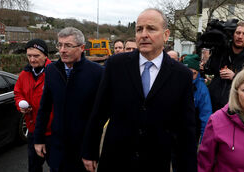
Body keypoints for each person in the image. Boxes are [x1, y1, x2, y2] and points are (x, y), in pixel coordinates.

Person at [82, 8, 197, 172]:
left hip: (155, 162)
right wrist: (90, 151)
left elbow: (186, 128)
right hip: (115, 160)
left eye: (151, 28)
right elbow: (99, 111)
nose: (143, 34)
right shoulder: (116, 65)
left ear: (166, 35)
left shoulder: (181, 75)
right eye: (139, 29)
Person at [34, 27, 104, 172]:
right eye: (60, 45)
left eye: (68, 45)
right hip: (58, 150)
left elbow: (100, 116)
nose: (62, 50)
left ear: (82, 47)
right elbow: (45, 107)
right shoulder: (52, 70)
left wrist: (91, 151)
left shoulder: (97, 72)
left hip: (83, 151)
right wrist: (38, 138)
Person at [201, 21, 244, 112]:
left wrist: (235, 76)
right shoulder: (221, 52)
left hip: (237, 109)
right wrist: (204, 66)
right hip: (212, 105)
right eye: (238, 33)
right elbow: (210, 70)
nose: (240, 36)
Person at [14, 39, 54, 172]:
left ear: (45, 55)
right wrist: (20, 104)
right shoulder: (24, 74)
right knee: (34, 167)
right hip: (33, 131)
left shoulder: (55, 73)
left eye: (36, 56)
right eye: (29, 56)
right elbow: (18, 92)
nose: (32, 59)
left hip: (53, 133)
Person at [183, 54, 212, 143]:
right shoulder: (176, 83)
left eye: (193, 73)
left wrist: (203, 141)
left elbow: (206, 116)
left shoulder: (202, 89)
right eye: (186, 72)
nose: (189, 76)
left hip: (192, 132)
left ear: (197, 72)